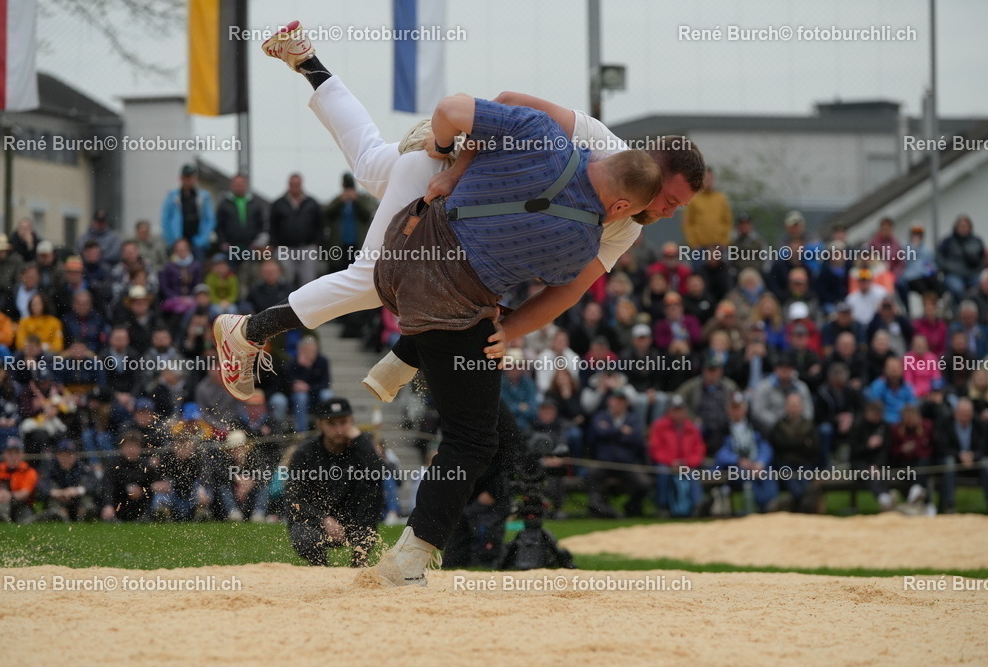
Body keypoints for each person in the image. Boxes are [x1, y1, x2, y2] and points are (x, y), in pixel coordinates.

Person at [215, 20, 704, 404]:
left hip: (446, 192)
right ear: (651, 170)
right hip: (443, 169)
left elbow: (568, 291)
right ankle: (248, 330)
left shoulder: (625, 226)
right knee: (371, 281)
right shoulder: (601, 145)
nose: (666, 213)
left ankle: (308, 60)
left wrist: (508, 329)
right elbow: (508, 104)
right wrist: (453, 168)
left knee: (368, 163)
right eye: (670, 200)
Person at [285, 398, 384, 566]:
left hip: (353, 520)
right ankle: (320, 566)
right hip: (317, 520)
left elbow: (379, 473)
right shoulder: (305, 453)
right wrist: (323, 519)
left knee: (372, 486)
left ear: (352, 422)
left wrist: (360, 439)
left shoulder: (360, 448)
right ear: (320, 424)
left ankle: (359, 559)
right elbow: (293, 497)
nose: (338, 429)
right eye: (331, 423)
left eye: (343, 422)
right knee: (303, 533)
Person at [585, 390, 648, 518]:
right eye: (616, 400)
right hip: (605, 462)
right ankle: (598, 506)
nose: (619, 404)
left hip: (626, 464)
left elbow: (636, 438)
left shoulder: (633, 418)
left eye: (622, 401)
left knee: (644, 483)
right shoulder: (600, 416)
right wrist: (622, 432)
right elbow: (598, 433)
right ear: (609, 401)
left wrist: (610, 432)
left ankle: (631, 506)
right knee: (591, 474)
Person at [936, 398, 988, 515]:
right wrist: (960, 455)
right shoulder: (945, 423)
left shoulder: (979, 424)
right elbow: (942, 447)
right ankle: (949, 506)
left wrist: (973, 455)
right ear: (955, 413)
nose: (964, 418)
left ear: (972, 414)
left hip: (975, 461)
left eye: (967, 414)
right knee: (949, 463)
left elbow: (984, 447)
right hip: (954, 459)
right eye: (962, 414)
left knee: (986, 464)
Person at [649, 394, 705, 517]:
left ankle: (697, 506)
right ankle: (663, 506)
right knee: (662, 471)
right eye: (675, 410)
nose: (678, 413)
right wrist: (671, 462)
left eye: (680, 409)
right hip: (667, 465)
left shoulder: (692, 428)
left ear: (685, 411)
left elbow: (699, 450)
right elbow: (655, 449)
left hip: (686, 464)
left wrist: (686, 462)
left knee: (692, 473)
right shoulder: (659, 426)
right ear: (669, 411)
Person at [269, 172, 324, 286]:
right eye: (292, 184)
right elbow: (272, 226)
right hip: (285, 249)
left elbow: (320, 224)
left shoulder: (312, 203)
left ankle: (309, 303)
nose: (294, 187)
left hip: (308, 247)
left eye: (297, 184)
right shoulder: (278, 204)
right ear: (288, 184)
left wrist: (317, 243)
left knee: (309, 281)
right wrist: (273, 245)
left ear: (301, 184)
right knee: (285, 280)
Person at [100, 428, 157, 522]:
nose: (132, 450)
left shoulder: (146, 466)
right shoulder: (114, 466)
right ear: (122, 448)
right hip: (118, 506)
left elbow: (154, 484)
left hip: (141, 507)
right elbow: (107, 487)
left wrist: (143, 490)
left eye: (135, 446)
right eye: (129, 446)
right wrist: (108, 505)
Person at [323, 172, 376, 273]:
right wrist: (340, 201)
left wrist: (356, 200)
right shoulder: (339, 199)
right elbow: (327, 213)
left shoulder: (362, 199)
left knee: (357, 272)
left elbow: (368, 214)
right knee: (338, 271)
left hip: (357, 244)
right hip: (339, 245)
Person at [161, 164, 216, 259]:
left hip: (197, 241)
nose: (188, 180)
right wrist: (173, 241)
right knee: (177, 271)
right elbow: (165, 220)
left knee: (197, 269)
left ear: (195, 178)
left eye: (190, 177)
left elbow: (210, 219)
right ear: (181, 178)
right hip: (178, 242)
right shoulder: (172, 197)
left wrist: (202, 239)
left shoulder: (204, 197)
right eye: (186, 177)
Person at [36, 439, 98, 521]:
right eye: (62, 455)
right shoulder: (50, 467)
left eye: (69, 455)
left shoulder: (82, 467)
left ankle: (85, 513)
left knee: (85, 489)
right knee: (52, 486)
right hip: (58, 500)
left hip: (77, 501)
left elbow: (94, 483)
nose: (66, 458)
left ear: (75, 456)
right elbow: (40, 485)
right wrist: (57, 493)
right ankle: (58, 513)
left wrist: (78, 490)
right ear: (57, 455)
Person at [0, 437, 38, 523]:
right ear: (4, 454)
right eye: (10, 453)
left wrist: (9, 496)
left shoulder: (29, 471)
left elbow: (25, 494)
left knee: (25, 520)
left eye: (17, 453)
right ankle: (1, 516)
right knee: (0, 509)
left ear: (22, 454)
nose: (13, 457)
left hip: (22, 505)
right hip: (1, 504)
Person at [937, 214, 986, 303]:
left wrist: (979, 269)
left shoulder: (977, 241)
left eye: (965, 226)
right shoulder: (948, 241)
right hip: (954, 274)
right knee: (957, 289)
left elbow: (984, 258)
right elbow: (939, 257)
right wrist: (947, 268)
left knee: (982, 286)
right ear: (956, 227)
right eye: (960, 226)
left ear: (970, 227)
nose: (963, 228)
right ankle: (960, 311)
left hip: (973, 273)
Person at [681, 166, 732, 249]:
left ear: (714, 179)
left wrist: (724, 241)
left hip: (718, 246)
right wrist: (693, 242)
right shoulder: (693, 199)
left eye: (710, 178)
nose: (708, 181)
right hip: (699, 247)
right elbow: (687, 222)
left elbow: (727, 221)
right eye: (706, 178)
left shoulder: (721, 198)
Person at [215, 174, 265, 255]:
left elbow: (261, 224)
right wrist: (223, 242)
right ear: (232, 186)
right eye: (236, 185)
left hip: (251, 247)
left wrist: (257, 242)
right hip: (230, 247)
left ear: (246, 185)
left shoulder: (255, 203)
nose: (239, 187)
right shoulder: (224, 203)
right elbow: (219, 225)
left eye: (241, 184)